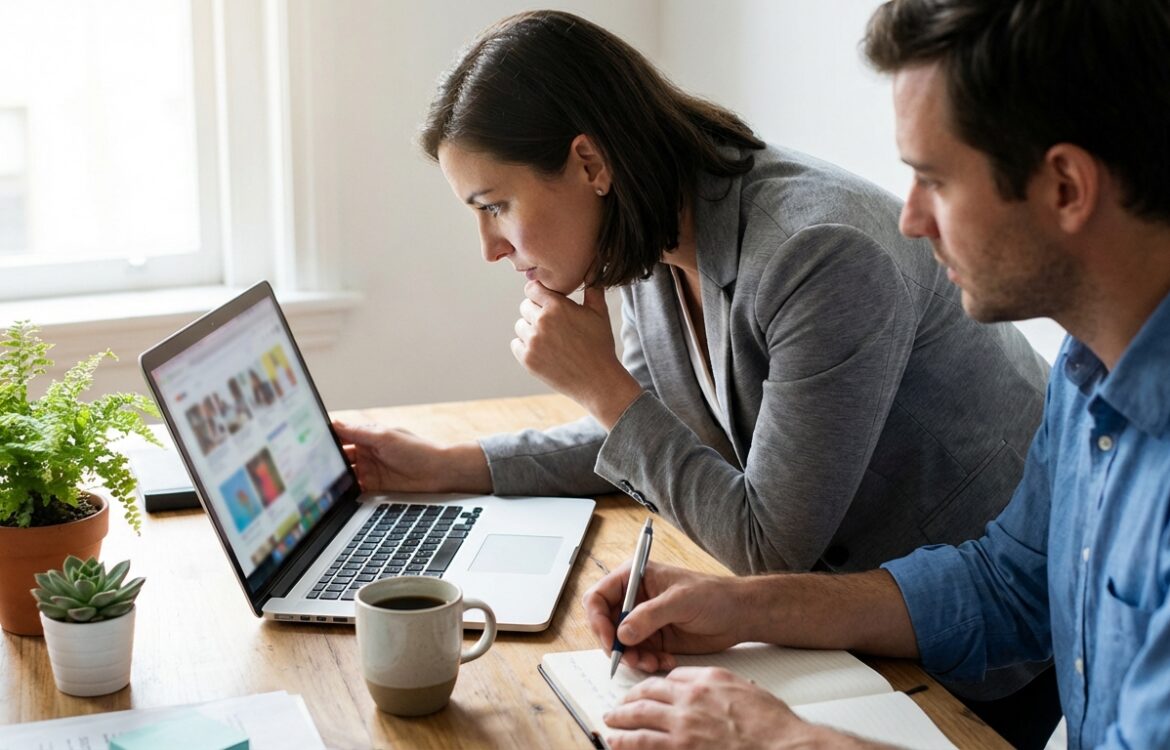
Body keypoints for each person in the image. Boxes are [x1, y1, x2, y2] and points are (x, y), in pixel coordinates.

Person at [583, 1, 1170, 748]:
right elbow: (1004, 585)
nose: (911, 220)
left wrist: (784, 740)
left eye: (935, 180)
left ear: (1065, 187)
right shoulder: (1088, 375)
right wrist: (746, 607)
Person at [335, 9, 1047, 579]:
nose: (490, 248)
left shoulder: (818, 255)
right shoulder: (649, 237)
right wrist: (452, 465)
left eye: (494, 206)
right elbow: (660, 430)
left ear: (588, 163)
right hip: (852, 600)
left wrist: (603, 386)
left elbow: (768, 547)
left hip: (978, 618)